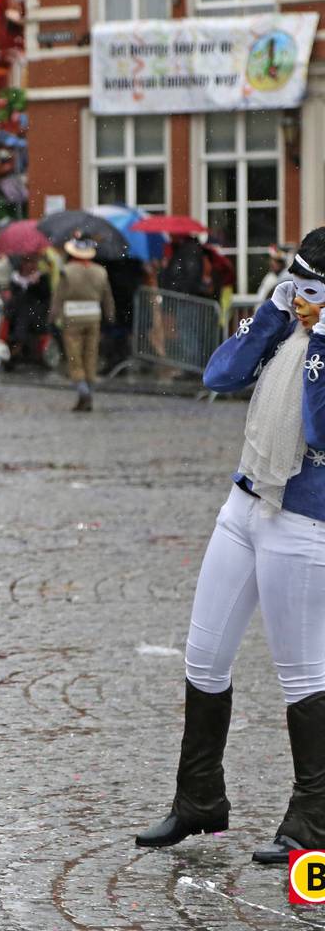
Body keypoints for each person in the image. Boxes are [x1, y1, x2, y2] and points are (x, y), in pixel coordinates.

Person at [136, 227, 325, 866]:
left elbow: (322, 424)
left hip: (303, 518)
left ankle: (313, 822)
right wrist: (272, 312)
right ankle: (199, 800)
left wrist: (322, 335)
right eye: (296, 284)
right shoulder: (286, 321)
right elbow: (222, 373)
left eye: (312, 290)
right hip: (245, 502)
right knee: (204, 654)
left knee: (302, 675)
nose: (302, 300)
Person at [50, 236, 114, 412]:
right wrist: (110, 315)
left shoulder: (67, 271)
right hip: (94, 317)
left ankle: (83, 392)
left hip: (72, 318)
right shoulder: (100, 271)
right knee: (91, 355)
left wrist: (52, 316)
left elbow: (58, 296)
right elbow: (107, 296)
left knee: (74, 357)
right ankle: (87, 394)